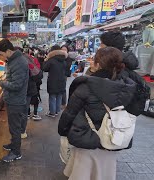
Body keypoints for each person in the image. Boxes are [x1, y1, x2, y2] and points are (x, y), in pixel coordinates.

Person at [59, 47, 136, 180]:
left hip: (88, 139)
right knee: (104, 173)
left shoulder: (86, 86)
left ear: (98, 64)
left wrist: (63, 131)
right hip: (113, 139)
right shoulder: (127, 87)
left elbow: (70, 113)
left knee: (82, 173)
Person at [98, 31, 150, 116]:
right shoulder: (125, 65)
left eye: (101, 44)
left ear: (109, 48)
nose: (99, 47)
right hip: (126, 120)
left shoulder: (115, 69)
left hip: (112, 120)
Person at [0, 39, 29, 162]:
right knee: (12, 126)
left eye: (1, 54)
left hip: (16, 101)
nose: (1, 57)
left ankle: (16, 152)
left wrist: (0, 82)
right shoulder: (13, 60)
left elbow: (16, 86)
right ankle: (13, 145)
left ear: (8, 51)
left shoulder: (19, 62)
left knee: (15, 128)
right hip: (12, 99)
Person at [42, 45, 67, 117]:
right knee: (59, 96)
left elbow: (44, 68)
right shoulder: (63, 60)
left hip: (53, 81)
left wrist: (45, 60)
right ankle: (57, 111)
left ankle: (52, 112)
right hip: (62, 81)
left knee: (52, 96)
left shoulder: (51, 60)